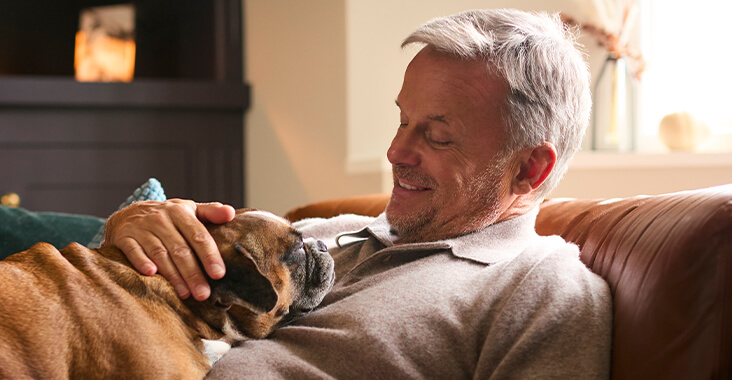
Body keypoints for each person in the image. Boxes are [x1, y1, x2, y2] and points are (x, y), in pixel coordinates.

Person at [99, 8, 611, 378]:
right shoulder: (328, 234)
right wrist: (134, 226)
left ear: (530, 167)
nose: (395, 151)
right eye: (403, 120)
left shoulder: (545, 290)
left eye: (436, 134)